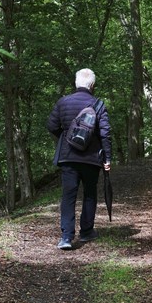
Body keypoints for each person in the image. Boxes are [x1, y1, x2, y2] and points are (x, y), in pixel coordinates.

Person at [47, 68, 111, 250]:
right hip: (91, 158)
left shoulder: (63, 102)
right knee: (89, 194)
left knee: (68, 195)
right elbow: (105, 133)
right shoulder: (98, 104)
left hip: (68, 157)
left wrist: (67, 137)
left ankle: (66, 237)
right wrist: (107, 158)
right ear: (92, 85)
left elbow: (51, 125)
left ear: (76, 83)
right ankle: (86, 232)